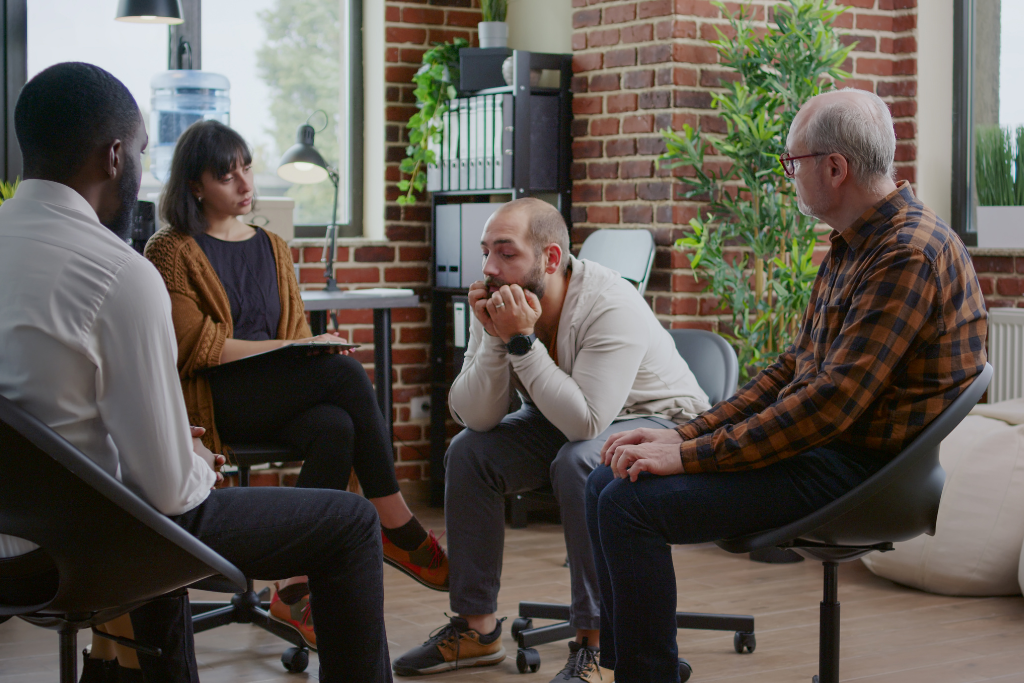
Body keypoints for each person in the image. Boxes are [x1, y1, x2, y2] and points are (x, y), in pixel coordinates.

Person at [0, 62, 393, 683]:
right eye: (139, 152)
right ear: (113, 157)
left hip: (8, 548)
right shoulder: (121, 274)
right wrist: (193, 461)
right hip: (90, 548)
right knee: (351, 523)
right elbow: (168, 493)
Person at [587, 88, 989, 682]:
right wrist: (685, 434)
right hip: (829, 448)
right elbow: (793, 370)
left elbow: (827, 407)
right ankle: (636, 671)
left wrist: (691, 455)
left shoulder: (907, 255)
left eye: (792, 162)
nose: (788, 175)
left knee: (628, 505)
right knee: (608, 478)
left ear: (834, 168)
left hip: (862, 470)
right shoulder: (855, 244)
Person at [144, 120, 448, 647]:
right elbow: (194, 347)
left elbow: (296, 333)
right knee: (346, 371)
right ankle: (395, 523)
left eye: (246, 168)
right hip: (216, 400)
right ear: (195, 185)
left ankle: (292, 587)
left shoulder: (273, 246)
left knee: (335, 426)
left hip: (275, 393)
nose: (244, 184)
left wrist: (304, 348)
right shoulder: (170, 249)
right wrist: (292, 351)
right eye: (225, 175)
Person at [393, 198, 710, 680]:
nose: (489, 269)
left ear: (552, 258)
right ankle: (476, 629)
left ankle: (599, 647)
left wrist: (521, 340)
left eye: (506, 253)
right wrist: (499, 341)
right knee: (469, 453)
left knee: (579, 461)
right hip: (563, 420)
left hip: (658, 423)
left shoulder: (609, 303)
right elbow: (475, 418)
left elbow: (586, 424)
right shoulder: (504, 300)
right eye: (485, 253)